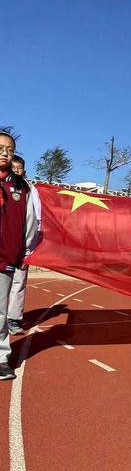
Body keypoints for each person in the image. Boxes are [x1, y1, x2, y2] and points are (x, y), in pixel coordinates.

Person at [0, 128, 37, 380]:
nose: (5, 153)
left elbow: (30, 221)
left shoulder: (22, 187)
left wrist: (25, 251)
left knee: (0, 311)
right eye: (0, 148)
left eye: (9, 150)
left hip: (4, 256)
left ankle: (1, 357)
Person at [7, 155, 42, 334]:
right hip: (3, 245)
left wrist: (27, 249)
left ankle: (13, 319)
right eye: (13, 167)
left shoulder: (29, 191)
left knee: (18, 283)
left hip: (21, 247)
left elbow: (33, 219)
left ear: (24, 170)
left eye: (19, 168)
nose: (16, 170)